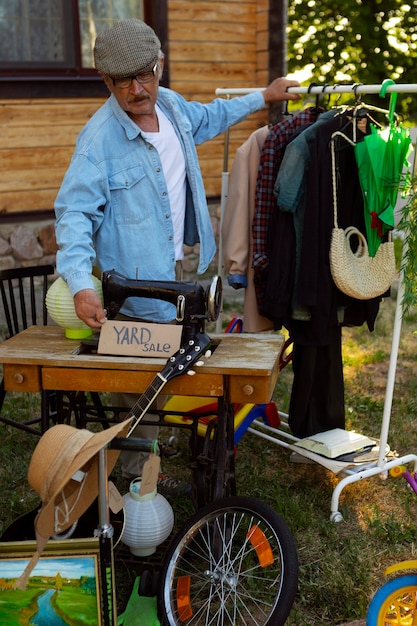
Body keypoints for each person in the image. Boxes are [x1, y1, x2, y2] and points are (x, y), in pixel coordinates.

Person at [54, 18, 301, 493]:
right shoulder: (97, 142)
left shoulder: (171, 107)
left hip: (177, 267)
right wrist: (82, 285)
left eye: (144, 73)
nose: (136, 88)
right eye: (122, 80)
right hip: (134, 285)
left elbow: (212, 116)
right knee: (141, 383)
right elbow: (73, 217)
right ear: (106, 82)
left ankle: (169, 445)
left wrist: (265, 96)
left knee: (182, 363)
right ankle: (138, 482)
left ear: (160, 65)